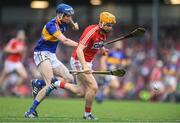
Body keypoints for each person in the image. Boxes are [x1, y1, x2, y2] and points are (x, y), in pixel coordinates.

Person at [24, 3, 82, 118]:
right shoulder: (52, 25)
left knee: (69, 78)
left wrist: (73, 25)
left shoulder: (65, 20)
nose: (69, 18)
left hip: (52, 55)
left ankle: (38, 83)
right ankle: (30, 111)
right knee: (49, 84)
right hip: (41, 53)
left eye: (71, 16)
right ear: (60, 15)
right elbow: (64, 41)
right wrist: (81, 46)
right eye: (67, 16)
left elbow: (73, 24)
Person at [70, 11, 116, 120]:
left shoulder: (105, 32)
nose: (110, 28)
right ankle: (87, 115)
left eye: (111, 25)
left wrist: (103, 50)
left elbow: (99, 43)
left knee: (80, 92)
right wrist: (84, 66)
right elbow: (79, 50)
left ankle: (55, 83)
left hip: (88, 62)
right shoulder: (91, 31)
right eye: (108, 25)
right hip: (78, 60)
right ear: (101, 23)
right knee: (93, 87)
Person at [0, 30, 27, 96]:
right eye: (21, 35)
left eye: (22, 35)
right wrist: (15, 51)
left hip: (17, 62)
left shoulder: (22, 43)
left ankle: (15, 89)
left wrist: (22, 53)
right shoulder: (13, 41)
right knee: (3, 77)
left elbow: (22, 53)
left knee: (24, 76)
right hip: (10, 62)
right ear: (18, 35)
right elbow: (6, 49)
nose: (22, 36)